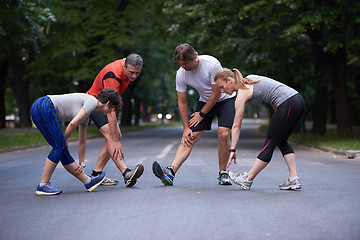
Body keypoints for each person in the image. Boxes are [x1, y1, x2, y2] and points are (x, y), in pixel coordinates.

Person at [152, 43, 236, 186]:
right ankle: (170, 172)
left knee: (223, 133)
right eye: (180, 64)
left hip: (225, 99)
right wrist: (186, 128)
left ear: (194, 57)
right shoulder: (181, 74)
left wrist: (202, 114)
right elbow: (182, 102)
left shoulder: (211, 64)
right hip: (204, 101)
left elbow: (216, 93)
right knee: (190, 136)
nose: (183, 67)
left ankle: (223, 173)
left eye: (185, 63)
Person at [214, 68, 306, 190]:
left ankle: (247, 179)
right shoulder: (250, 79)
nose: (222, 91)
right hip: (298, 101)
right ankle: (294, 178)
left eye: (221, 87)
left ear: (229, 80)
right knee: (281, 140)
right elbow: (273, 91)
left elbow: (236, 125)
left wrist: (232, 150)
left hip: (288, 103)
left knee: (269, 142)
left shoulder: (242, 93)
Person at [30, 88, 122, 195]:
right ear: (108, 103)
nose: (111, 112)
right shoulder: (92, 102)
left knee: (62, 150)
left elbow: (82, 140)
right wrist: (65, 139)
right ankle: (43, 185)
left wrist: (81, 163)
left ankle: (88, 182)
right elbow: (73, 124)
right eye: (113, 109)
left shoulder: (87, 112)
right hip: (44, 106)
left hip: (40, 107)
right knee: (60, 146)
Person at [86, 53, 144, 187]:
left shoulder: (128, 64)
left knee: (116, 135)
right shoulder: (113, 75)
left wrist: (116, 137)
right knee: (112, 137)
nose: (134, 76)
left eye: (137, 73)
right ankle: (126, 173)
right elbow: (110, 110)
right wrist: (116, 141)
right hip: (94, 104)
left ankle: (96, 175)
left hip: (105, 105)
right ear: (124, 66)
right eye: (131, 72)